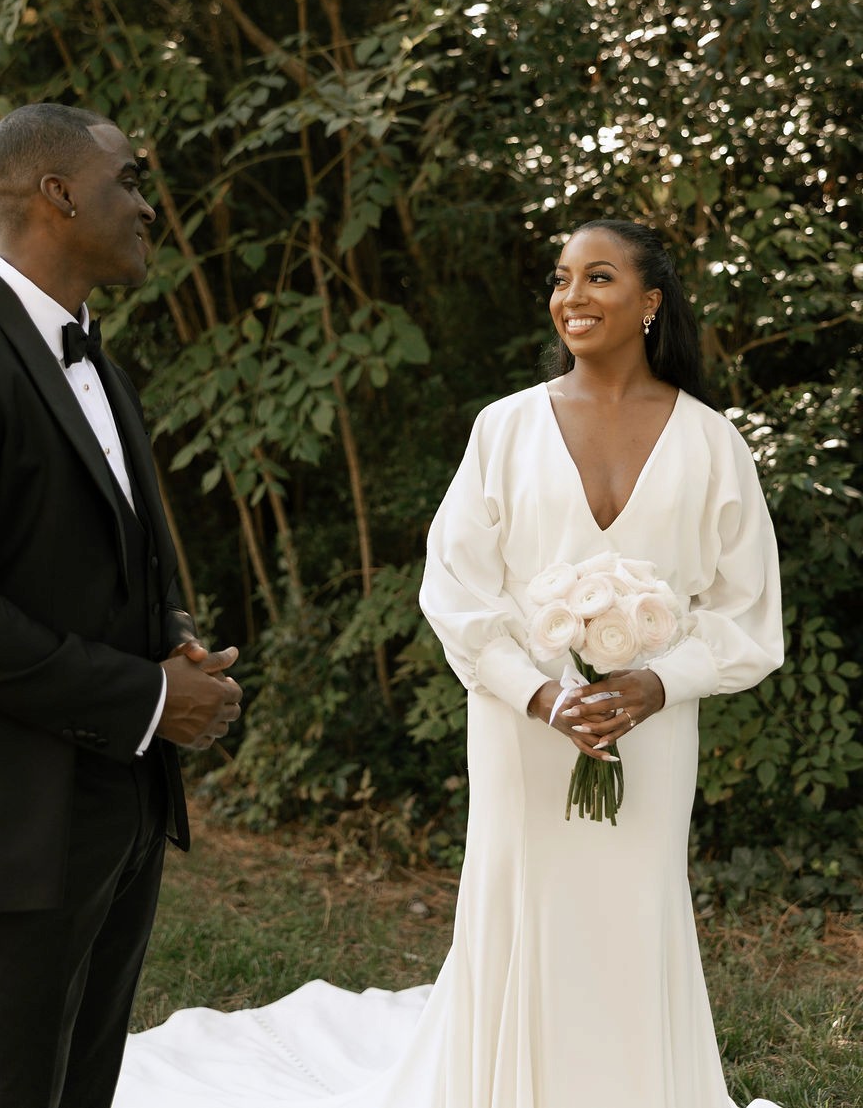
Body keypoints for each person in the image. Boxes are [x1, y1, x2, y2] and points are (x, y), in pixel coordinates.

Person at [108, 218, 784, 1108]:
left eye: (599, 276)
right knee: (522, 902)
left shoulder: (712, 441)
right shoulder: (505, 428)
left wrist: (658, 683)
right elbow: (454, 589)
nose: (571, 296)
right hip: (520, 724)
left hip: (650, 731)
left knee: (635, 902)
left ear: (651, 301)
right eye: (561, 277)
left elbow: (748, 610)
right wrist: (539, 695)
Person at [0, 101, 243, 1108]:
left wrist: (173, 639)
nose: (147, 206)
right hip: (5, 826)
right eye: (128, 181)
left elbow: (107, 555)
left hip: (119, 810)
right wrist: (148, 698)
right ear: (59, 194)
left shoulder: (97, 359)